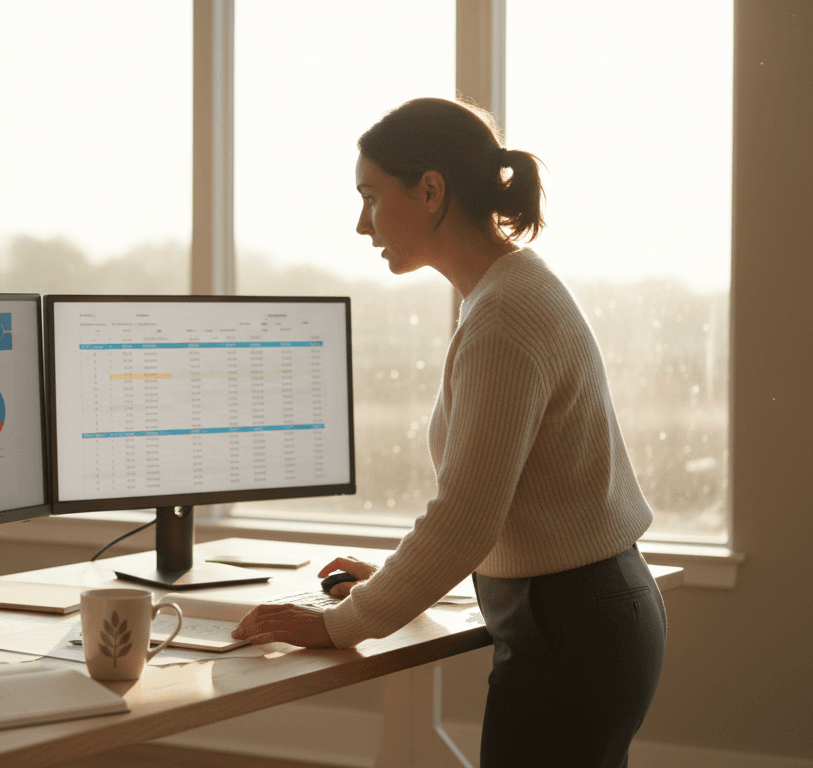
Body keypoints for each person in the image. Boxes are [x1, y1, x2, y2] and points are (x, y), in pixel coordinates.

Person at [230, 97, 667, 767]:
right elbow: (507, 507)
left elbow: (465, 518)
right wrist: (388, 585)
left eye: (371, 197)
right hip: (583, 618)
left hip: (572, 630)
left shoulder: (502, 316)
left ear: (430, 190)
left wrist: (336, 624)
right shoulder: (504, 290)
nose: (359, 223)